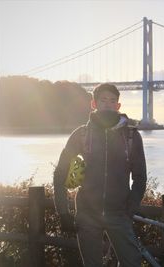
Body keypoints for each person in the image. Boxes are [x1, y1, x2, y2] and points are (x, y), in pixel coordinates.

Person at [53, 83, 147, 267]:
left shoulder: (131, 136)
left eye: (113, 101)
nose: (108, 104)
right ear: (93, 104)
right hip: (87, 215)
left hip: (120, 214)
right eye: (103, 100)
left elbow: (140, 177)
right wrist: (63, 212)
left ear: (118, 106)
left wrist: (130, 208)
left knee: (132, 262)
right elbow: (60, 172)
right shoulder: (81, 134)